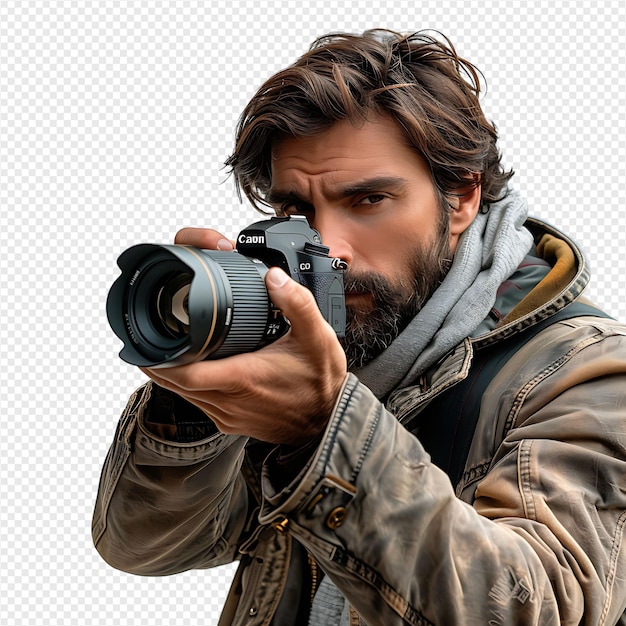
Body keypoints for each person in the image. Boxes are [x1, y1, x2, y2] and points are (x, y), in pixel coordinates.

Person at [92, 29, 626, 625]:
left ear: (463, 196)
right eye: (296, 210)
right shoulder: (313, 347)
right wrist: (196, 396)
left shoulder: (592, 376)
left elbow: (539, 610)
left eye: (368, 200)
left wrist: (326, 427)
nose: (330, 247)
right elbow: (145, 546)